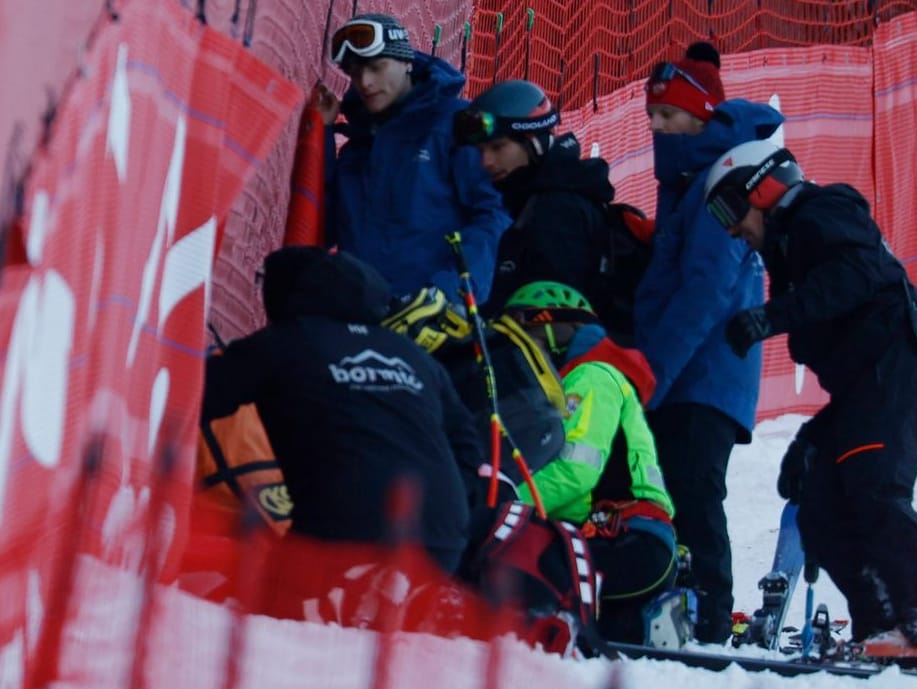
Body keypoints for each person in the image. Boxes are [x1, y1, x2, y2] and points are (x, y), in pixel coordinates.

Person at [703, 139, 917, 651]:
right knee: (817, 498)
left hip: (902, 364)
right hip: (869, 381)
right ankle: (882, 626)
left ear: (763, 188)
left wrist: (771, 318)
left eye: (729, 209)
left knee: (875, 488)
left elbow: (857, 277)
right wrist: (812, 437)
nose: (731, 228)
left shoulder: (822, 211)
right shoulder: (791, 245)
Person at [201, 246, 483, 574]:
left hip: (343, 528)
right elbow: (468, 445)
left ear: (288, 290)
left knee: (275, 612)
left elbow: (194, 395)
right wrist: (447, 506)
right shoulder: (414, 356)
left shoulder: (284, 342)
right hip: (441, 535)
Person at [633, 42, 783, 644]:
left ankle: (711, 617)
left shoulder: (718, 182)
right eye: (652, 117)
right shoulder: (691, 178)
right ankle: (679, 605)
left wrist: (653, 373)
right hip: (690, 372)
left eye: (668, 117)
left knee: (694, 490)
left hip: (703, 373)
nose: (656, 128)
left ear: (701, 118)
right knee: (672, 489)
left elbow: (705, 292)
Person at [502, 281, 678, 644]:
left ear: (558, 329)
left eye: (528, 336)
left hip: (629, 543)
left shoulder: (593, 376)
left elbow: (576, 472)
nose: (522, 351)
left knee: (508, 565)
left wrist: (502, 504)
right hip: (613, 538)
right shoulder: (573, 379)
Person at [318, 13, 509, 304]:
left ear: (407, 61)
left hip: (435, 318)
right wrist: (322, 134)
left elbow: (493, 215)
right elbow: (326, 225)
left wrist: (448, 295)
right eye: (355, 73)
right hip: (362, 315)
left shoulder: (455, 124)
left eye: (376, 67)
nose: (365, 82)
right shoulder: (358, 145)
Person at [452, 79, 616, 319]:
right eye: (480, 151)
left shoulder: (557, 211)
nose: (485, 161)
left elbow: (553, 320)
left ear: (534, 143)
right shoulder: (535, 198)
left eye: (498, 147)